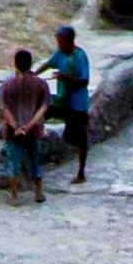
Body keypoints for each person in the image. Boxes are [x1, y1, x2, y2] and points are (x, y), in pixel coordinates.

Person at [0, 47, 52, 193]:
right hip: (34, 131)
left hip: (13, 132)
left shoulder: (7, 85)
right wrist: (30, 125)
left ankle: (14, 195)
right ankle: (38, 192)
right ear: (31, 64)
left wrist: (16, 126)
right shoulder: (41, 84)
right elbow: (43, 107)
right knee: (36, 162)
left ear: (15, 64)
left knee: (13, 164)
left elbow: (4, 108)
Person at [48, 23, 93, 182]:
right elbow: (48, 63)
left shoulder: (80, 56)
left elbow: (84, 81)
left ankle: (81, 173)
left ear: (69, 41)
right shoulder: (60, 54)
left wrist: (66, 77)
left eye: (61, 42)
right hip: (64, 99)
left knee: (80, 138)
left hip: (78, 103)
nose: (59, 45)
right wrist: (32, 74)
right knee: (68, 134)